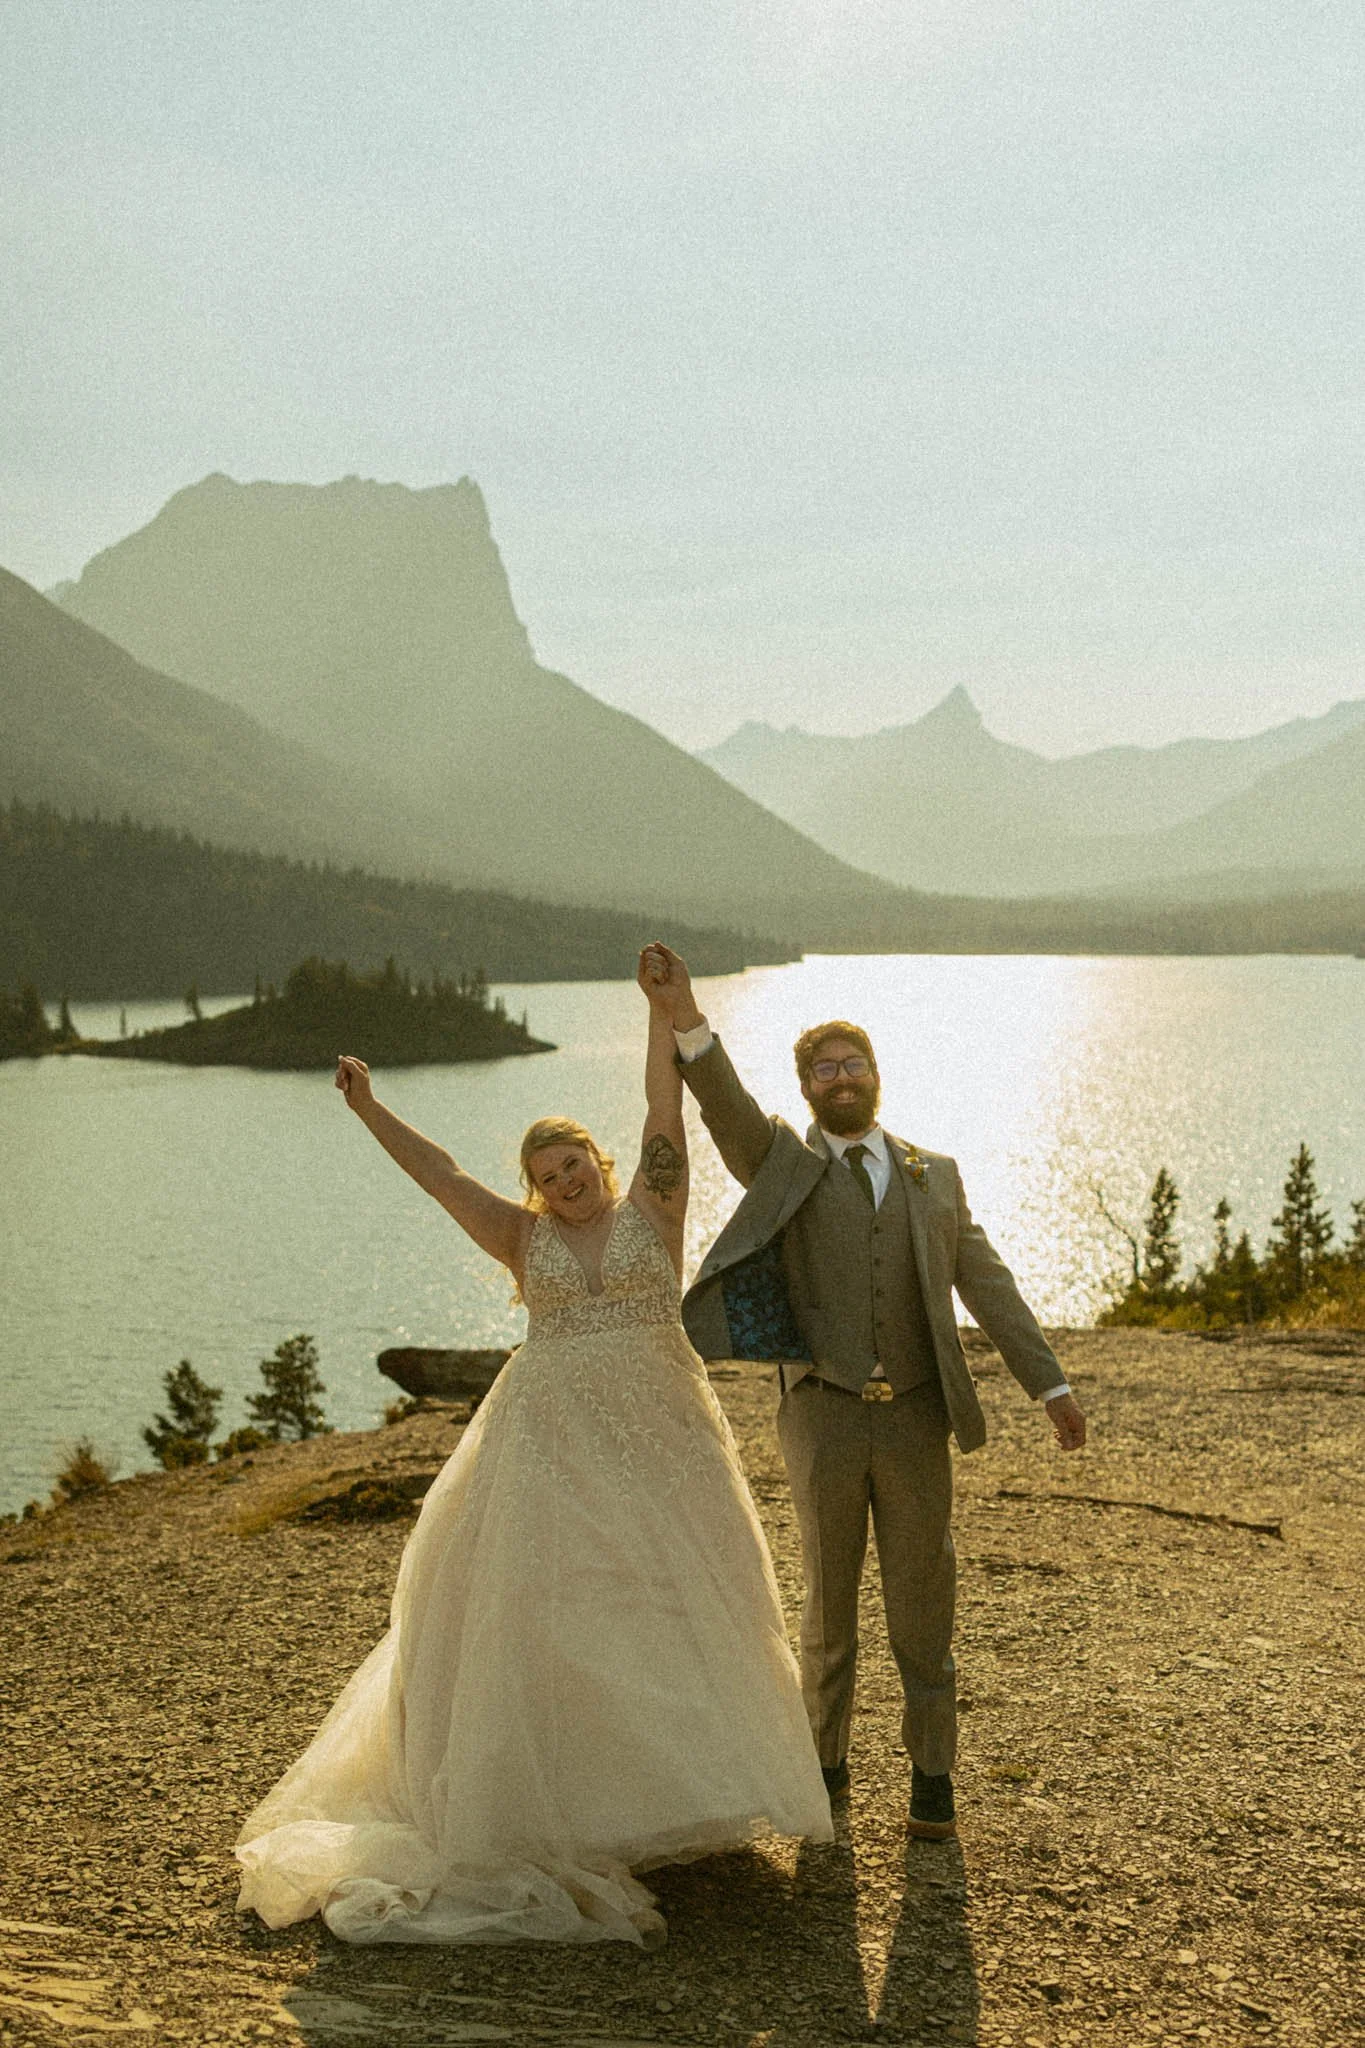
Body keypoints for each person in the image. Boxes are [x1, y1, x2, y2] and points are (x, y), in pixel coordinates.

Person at [234, 963, 831, 1949]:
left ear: (601, 1158)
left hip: (663, 1441)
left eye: (578, 1165)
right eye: (551, 1176)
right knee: (557, 1613)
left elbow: (661, 1098)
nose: (570, 1183)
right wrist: (369, 1106)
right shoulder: (520, 1238)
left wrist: (657, 1011)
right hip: (548, 1448)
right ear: (537, 1190)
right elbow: (439, 1177)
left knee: (679, 1602)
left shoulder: (658, 1205)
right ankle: (574, 1809)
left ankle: (685, 1794)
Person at [641, 943, 1087, 1842]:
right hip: (822, 1416)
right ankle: (826, 1774)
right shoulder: (784, 1166)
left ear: (876, 1075)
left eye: (853, 1064)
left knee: (926, 1602)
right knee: (828, 1607)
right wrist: (685, 1014)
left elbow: (987, 1281)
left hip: (918, 1416)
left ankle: (931, 1781)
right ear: (806, 1088)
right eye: (822, 1069)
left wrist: (1049, 1384)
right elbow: (724, 1110)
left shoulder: (936, 1174)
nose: (840, 1078)